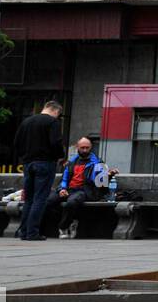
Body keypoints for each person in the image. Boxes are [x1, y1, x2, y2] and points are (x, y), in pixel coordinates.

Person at [12, 101, 66, 242]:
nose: (58, 117)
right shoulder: (52, 122)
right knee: (40, 198)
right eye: (58, 114)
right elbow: (56, 143)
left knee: (28, 198)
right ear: (55, 111)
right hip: (45, 163)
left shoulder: (27, 122)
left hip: (28, 163)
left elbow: (17, 143)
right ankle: (33, 233)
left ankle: (23, 231)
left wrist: (25, 157)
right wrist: (60, 156)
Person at [46, 137, 118, 239]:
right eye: (82, 148)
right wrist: (62, 189)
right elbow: (64, 179)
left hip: (84, 190)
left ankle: (63, 227)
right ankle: (71, 220)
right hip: (69, 189)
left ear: (91, 147)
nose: (85, 150)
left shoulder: (97, 162)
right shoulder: (71, 162)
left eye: (87, 148)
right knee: (49, 201)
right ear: (77, 147)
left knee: (71, 202)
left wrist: (108, 175)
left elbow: (100, 184)